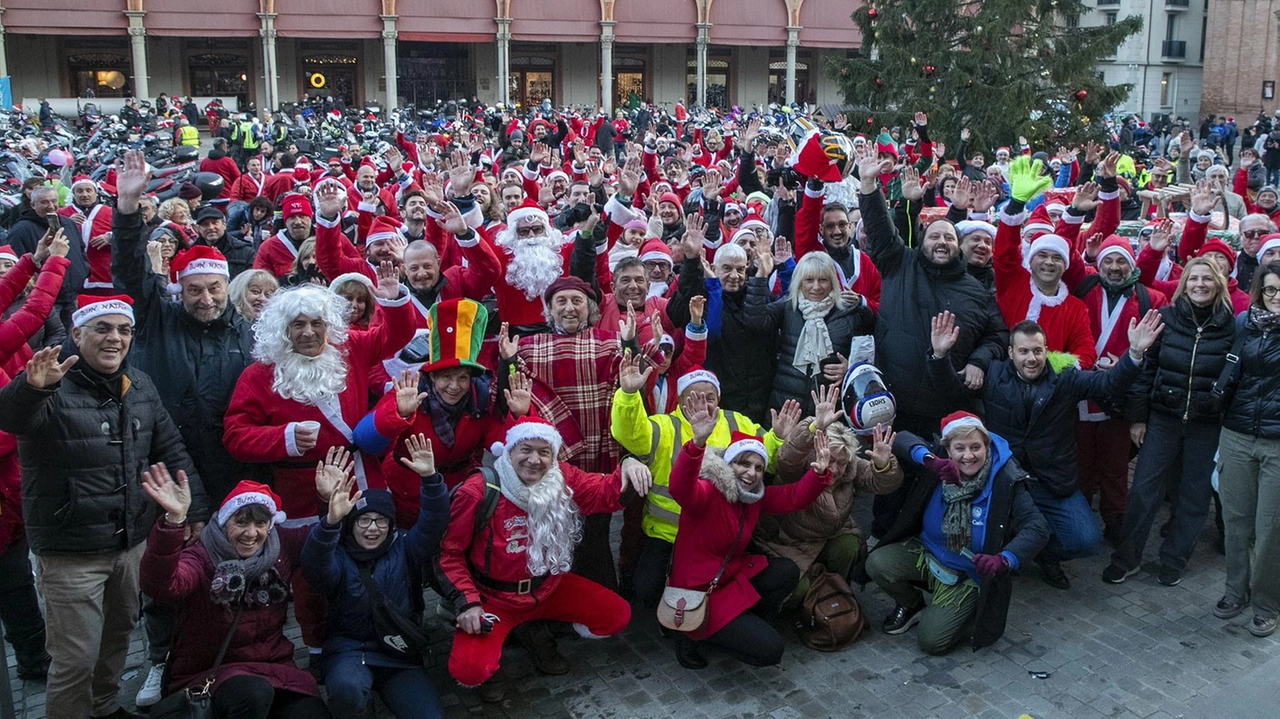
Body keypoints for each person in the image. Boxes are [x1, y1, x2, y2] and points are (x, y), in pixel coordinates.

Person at [0, 296, 209, 719]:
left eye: (124, 330)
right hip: (70, 550)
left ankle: (105, 707)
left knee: (117, 641)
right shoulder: (50, 383)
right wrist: (29, 387)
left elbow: (169, 448)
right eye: (103, 329)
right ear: (77, 334)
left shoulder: (141, 385)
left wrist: (197, 509)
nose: (115, 338)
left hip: (130, 542)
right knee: (75, 659)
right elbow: (11, 418)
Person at [929, 311, 1164, 588]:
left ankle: (1040, 555)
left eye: (1038, 351)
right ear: (1010, 352)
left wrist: (1135, 352)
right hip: (1005, 482)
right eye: (1024, 351)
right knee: (984, 534)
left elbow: (1109, 384)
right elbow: (951, 391)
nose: (1032, 358)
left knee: (1086, 541)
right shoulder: (992, 374)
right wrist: (940, 356)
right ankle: (1009, 552)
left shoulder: (1065, 379)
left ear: (1046, 351)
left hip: (1053, 481)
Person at [433, 418, 649, 701]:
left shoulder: (563, 477)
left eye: (544, 452)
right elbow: (448, 555)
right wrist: (468, 603)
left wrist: (629, 465)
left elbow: (604, 493)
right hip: (494, 598)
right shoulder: (477, 491)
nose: (534, 460)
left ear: (554, 456)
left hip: (548, 588)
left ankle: (536, 629)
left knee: (616, 616)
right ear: (509, 451)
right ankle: (495, 649)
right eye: (526, 450)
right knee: (470, 670)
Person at [854, 145, 1008, 536]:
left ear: (958, 247)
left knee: (938, 484)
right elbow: (879, 230)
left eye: (949, 238)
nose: (942, 242)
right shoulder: (898, 264)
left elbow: (998, 335)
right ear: (922, 241)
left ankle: (932, 543)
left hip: (945, 406)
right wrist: (869, 185)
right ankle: (883, 538)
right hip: (897, 405)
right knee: (892, 480)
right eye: (934, 236)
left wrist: (978, 360)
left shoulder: (975, 290)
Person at [138, 470, 331, 719]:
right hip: (211, 673)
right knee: (253, 694)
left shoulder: (280, 544)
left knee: (313, 714)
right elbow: (160, 586)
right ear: (224, 521)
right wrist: (174, 521)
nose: (251, 533)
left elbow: (320, 540)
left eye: (260, 523)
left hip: (274, 669)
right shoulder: (201, 556)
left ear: (270, 525)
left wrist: (329, 506)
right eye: (241, 522)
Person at [665, 392, 834, 669]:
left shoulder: (753, 496)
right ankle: (690, 634)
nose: (751, 473)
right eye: (743, 463)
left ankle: (740, 621)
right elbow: (679, 487)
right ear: (729, 464)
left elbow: (793, 497)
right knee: (771, 650)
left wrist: (818, 474)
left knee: (787, 571)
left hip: (729, 576)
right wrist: (697, 443)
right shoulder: (708, 492)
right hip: (699, 591)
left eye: (758, 467)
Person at [866, 413, 1049, 655]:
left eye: (976, 447)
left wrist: (1005, 558)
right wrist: (928, 459)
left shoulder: (1005, 479)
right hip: (928, 553)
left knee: (931, 641)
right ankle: (912, 606)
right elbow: (902, 440)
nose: (968, 456)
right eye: (959, 448)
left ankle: (966, 614)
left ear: (987, 446)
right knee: (877, 563)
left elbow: (1038, 527)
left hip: (967, 573)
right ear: (948, 450)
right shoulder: (940, 463)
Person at [611, 354, 787, 607]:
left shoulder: (735, 421)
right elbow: (630, 433)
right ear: (681, 400)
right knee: (646, 590)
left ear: (719, 399)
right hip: (668, 533)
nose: (703, 404)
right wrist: (628, 396)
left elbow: (763, 454)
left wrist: (778, 437)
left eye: (710, 397)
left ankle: (719, 610)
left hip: (717, 533)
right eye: (694, 398)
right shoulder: (665, 425)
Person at [1103, 258, 1237, 587]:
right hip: (1164, 418)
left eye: (1207, 279)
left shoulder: (1232, 326)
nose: (1200, 284)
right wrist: (1137, 418)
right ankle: (1127, 558)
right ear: (1184, 284)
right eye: (1194, 278)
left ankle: (1174, 558)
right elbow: (1144, 373)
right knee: (1144, 491)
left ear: (1218, 284)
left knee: (1193, 496)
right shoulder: (1165, 319)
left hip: (1206, 424)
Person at [302, 438, 450, 718]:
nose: (372, 528)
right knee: (347, 690)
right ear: (352, 524)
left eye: (381, 520)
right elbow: (315, 568)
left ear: (391, 524)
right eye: (363, 520)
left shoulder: (405, 547)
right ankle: (358, 706)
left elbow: (434, 522)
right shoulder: (340, 557)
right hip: (349, 651)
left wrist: (430, 479)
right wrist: (330, 523)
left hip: (398, 651)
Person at [356, 300, 532, 524]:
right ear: (433, 377)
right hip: (408, 498)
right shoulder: (410, 393)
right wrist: (398, 413)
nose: (454, 386)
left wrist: (521, 416)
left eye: (462, 378)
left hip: (460, 497)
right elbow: (366, 442)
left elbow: (501, 444)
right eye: (446, 377)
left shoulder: (480, 401)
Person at [753, 385, 903, 605]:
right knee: (797, 589)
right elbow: (787, 457)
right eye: (830, 459)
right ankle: (804, 608)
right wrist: (815, 426)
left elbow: (881, 484)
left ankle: (833, 596)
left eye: (840, 463)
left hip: (825, 538)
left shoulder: (849, 466)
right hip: (785, 542)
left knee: (849, 546)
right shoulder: (801, 462)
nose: (834, 468)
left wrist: (883, 465)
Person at [0, 230, 69, 682]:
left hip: (11, 479)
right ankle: (33, 659)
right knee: (12, 579)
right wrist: (55, 264)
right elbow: (33, 314)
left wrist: (29, 261)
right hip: (3, 486)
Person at [1214, 262, 1280, 638]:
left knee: (1271, 527)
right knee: (1236, 520)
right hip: (1237, 433)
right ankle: (1234, 591)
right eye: (1270, 290)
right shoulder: (1245, 323)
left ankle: (1267, 602)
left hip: (1277, 442)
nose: (1276, 298)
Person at [744, 250, 873, 416]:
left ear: (832, 281)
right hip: (786, 407)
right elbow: (755, 321)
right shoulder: (788, 306)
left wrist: (850, 369)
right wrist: (761, 276)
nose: (816, 287)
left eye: (823, 280)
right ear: (799, 282)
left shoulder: (850, 313)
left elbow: (868, 359)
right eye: (809, 280)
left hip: (829, 411)